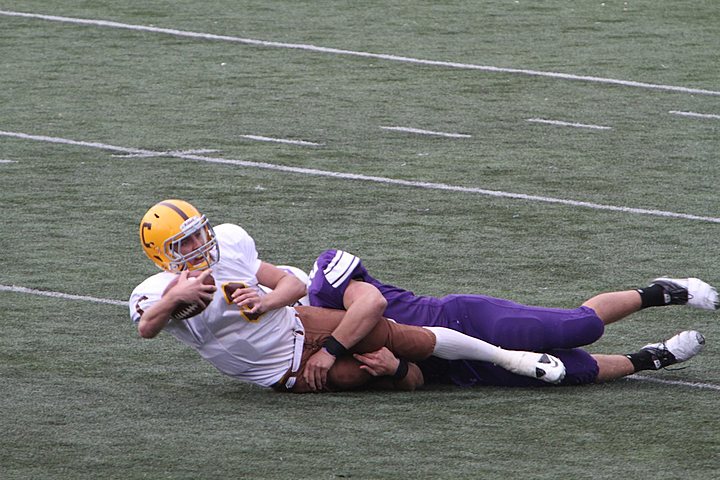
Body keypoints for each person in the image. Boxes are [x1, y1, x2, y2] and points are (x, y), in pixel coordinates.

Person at [128, 200, 567, 394]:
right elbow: (147, 328)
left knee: (401, 336)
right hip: (279, 369)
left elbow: (291, 284)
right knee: (366, 373)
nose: (202, 243)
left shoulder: (230, 242)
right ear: (163, 255)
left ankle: (512, 360)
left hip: (298, 322)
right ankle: (407, 374)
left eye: (199, 231)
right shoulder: (152, 292)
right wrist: (175, 297)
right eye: (186, 242)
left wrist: (268, 301)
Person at [307, 249, 715, 387]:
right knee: (575, 371)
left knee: (580, 327)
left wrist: (331, 347)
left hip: (460, 319)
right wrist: (395, 369)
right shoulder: (287, 355)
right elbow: (410, 382)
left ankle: (661, 292)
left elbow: (372, 303)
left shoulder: (322, 282)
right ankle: (650, 358)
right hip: (453, 372)